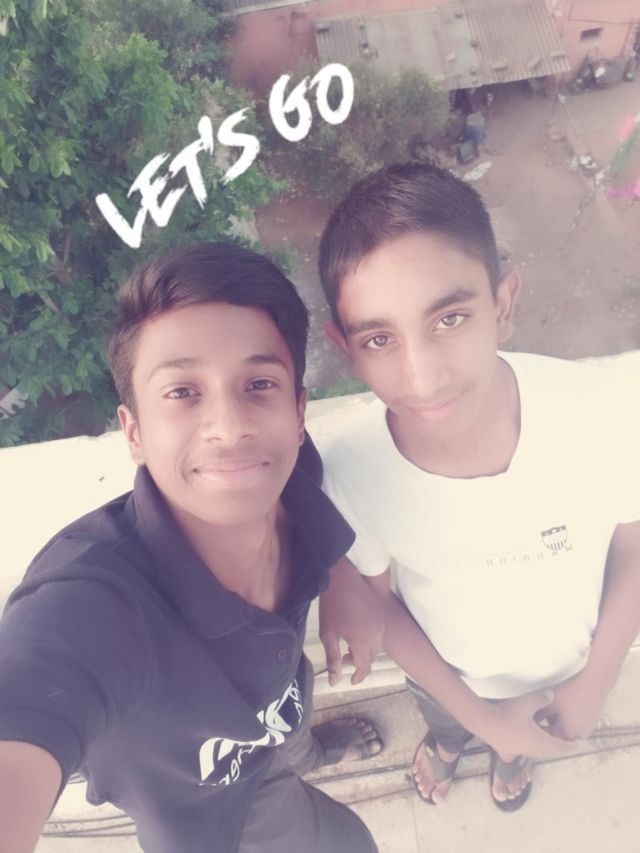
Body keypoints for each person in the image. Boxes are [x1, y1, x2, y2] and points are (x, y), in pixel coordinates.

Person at [0, 242, 381, 853]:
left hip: (276, 712)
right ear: (134, 433)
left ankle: (309, 752)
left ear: (298, 413)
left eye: (259, 384)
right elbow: (32, 686)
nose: (230, 429)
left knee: (289, 737)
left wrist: (342, 577)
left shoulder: (287, 473)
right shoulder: (93, 604)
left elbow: (304, 491)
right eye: (182, 392)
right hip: (215, 817)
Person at [317, 162, 640, 811]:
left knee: (523, 737)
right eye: (379, 338)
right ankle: (450, 744)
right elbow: (379, 602)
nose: (424, 377)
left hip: (569, 663)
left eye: (450, 319)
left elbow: (632, 543)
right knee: (447, 724)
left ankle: (509, 754)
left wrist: (598, 677)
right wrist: (480, 716)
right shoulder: (351, 470)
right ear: (346, 349)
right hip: (448, 676)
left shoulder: (605, 412)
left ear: (503, 305)